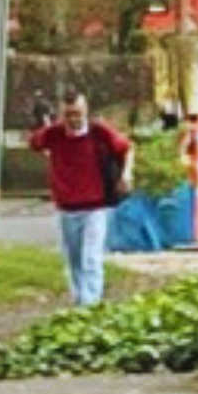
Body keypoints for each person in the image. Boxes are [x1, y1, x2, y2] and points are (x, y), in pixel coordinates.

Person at [29, 89, 129, 308]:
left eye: (78, 114)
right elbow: (35, 143)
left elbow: (124, 147)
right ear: (62, 115)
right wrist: (44, 125)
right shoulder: (54, 134)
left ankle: (89, 304)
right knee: (73, 259)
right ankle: (79, 298)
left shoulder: (99, 133)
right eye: (69, 115)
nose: (73, 120)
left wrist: (123, 176)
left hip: (95, 206)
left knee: (91, 258)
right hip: (67, 207)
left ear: (86, 112)